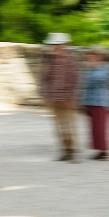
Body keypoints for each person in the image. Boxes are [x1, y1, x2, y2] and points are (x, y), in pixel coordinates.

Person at [41, 32, 80, 161]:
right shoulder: (49, 60)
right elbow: (45, 78)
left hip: (67, 99)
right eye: (53, 45)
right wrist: (46, 96)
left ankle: (73, 151)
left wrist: (69, 97)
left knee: (69, 126)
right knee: (58, 126)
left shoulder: (71, 60)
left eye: (58, 45)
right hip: (54, 98)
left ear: (64, 45)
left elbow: (74, 80)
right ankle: (65, 151)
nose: (55, 47)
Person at [82, 49, 109, 160]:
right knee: (94, 128)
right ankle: (99, 151)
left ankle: (104, 151)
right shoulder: (90, 69)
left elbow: (101, 80)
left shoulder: (105, 67)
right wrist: (84, 102)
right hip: (90, 101)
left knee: (101, 128)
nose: (90, 59)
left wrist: (93, 67)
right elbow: (86, 85)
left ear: (100, 57)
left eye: (93, 56)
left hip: (101, 102)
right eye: (90, 57)